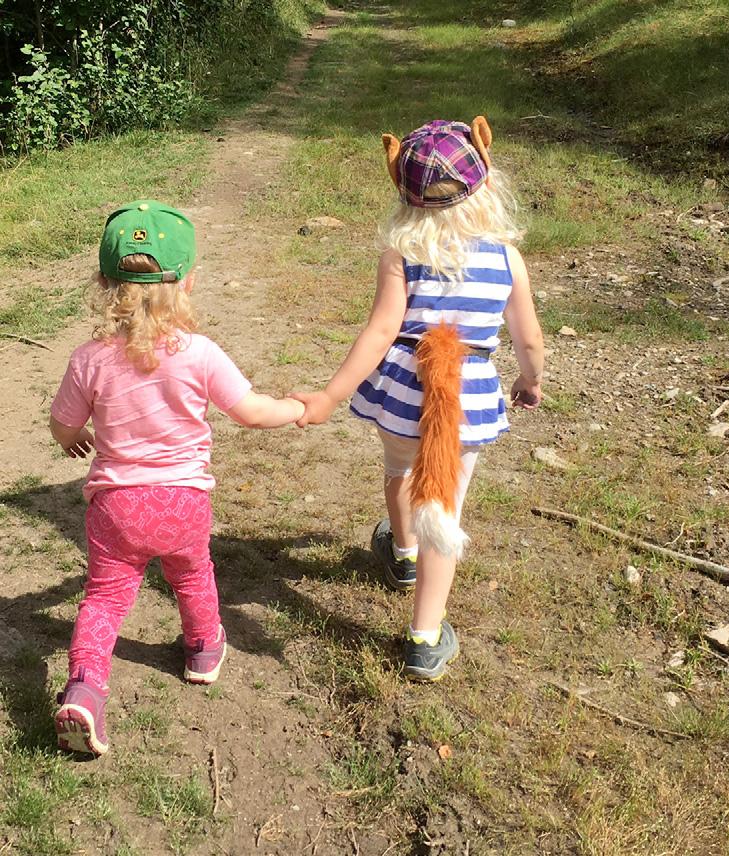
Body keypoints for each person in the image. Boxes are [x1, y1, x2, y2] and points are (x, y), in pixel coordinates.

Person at [49, 200, 305, 755]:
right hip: (183, 503)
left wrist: (73, 440)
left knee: (104, 600)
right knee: (192, 576)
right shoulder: (201, 354)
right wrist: (296, 407)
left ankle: (86, 688)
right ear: (189, 280)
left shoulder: (89, 358)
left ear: (104, 281)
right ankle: (203, 650)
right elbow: (253, 411)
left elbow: (63, 423)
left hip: (116, 508)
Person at [294, 118, 544, 681]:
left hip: (403, 392)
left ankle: (402, 553)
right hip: (466, 395)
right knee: (445, 505)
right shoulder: (506, 258)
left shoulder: (398, 252)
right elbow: (529, 338)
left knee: (401, 470)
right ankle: (426, 637)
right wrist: (530, 381)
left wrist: (333, 395)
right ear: (485, 182)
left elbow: (379, 332)